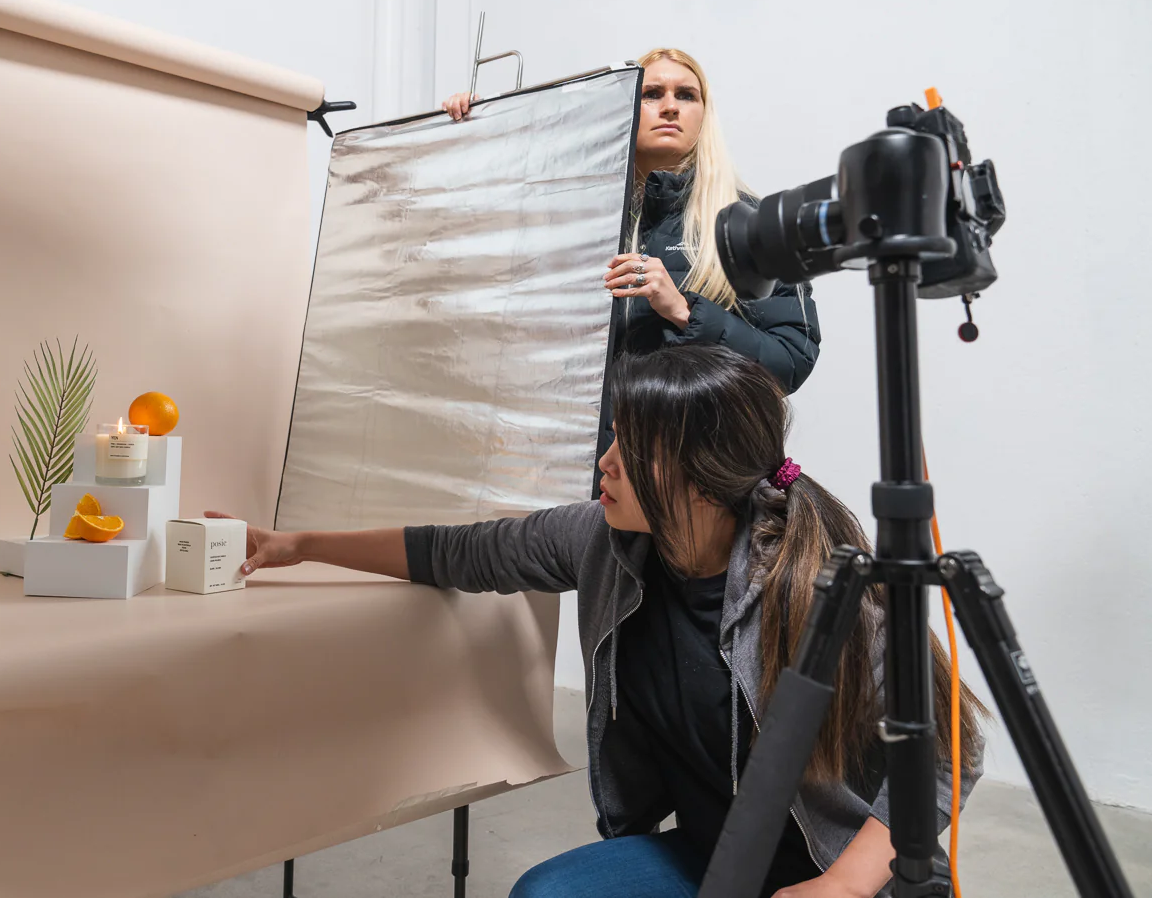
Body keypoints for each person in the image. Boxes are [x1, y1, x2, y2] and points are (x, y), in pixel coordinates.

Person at [210, 345, 984, 898]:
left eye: (632, 447)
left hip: (846, 873)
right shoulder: (604, 541)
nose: (605, 462)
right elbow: (459, 552)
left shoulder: (824, 588)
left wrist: (846, 884)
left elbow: (953, 744)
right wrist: (296, 543)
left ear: (703, 480)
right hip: (715, 857)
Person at [445, 51, 821, 448]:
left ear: (704, 114)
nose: (671, 107)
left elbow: (789, 362)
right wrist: (471, 134)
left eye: (687, 95)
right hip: (581, 472)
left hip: (696, 470)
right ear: (627, 106)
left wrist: (684, 312)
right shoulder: (577, 215)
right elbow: (477, 259)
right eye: (652, 93)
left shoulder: (749, 223)